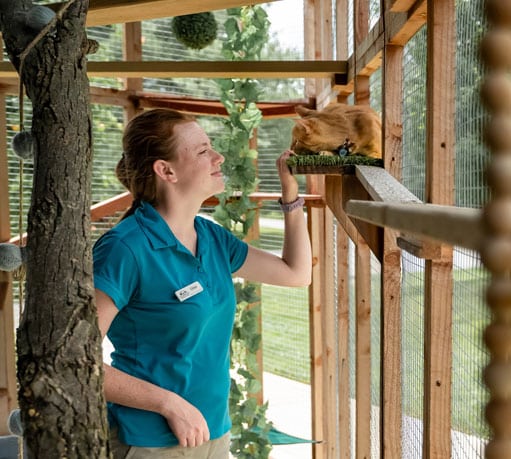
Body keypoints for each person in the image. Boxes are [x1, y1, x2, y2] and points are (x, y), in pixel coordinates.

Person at [93, 108, 312, 459]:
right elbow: (77, 357)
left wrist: (290, 195)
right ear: (166, 171)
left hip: (212, 433)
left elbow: (296, 274)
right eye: (202, 150)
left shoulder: (211, 237)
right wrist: (169, 404)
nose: (218, 156)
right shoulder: (126, 248)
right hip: (150, 441)